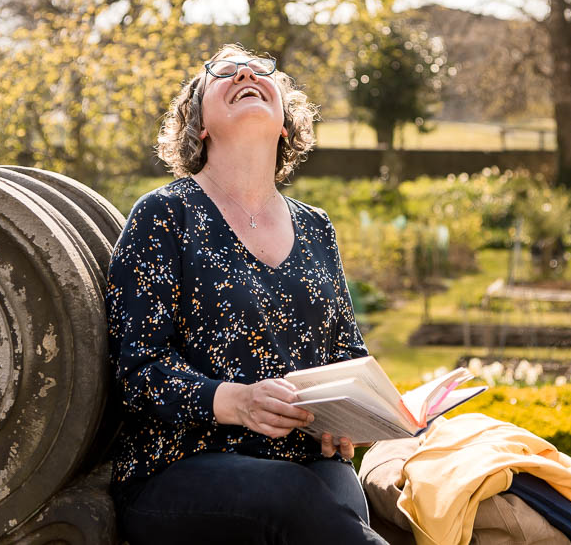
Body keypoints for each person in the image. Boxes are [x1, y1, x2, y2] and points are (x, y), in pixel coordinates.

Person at [106, 44, 388, 544]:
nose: (244, 72)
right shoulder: (164, 215)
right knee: (298, 500)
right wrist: (237, 402)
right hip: (180, 468)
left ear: (284, 124)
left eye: (261, 72)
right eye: (222, 73)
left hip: (305, 460)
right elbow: (137, 371)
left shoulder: (316, 225)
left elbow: (347, 354)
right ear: (199, 126)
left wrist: (356, 416)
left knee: (339, 500)